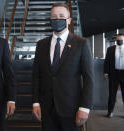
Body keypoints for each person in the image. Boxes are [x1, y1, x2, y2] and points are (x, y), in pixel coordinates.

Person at [32, 3, 94, 131]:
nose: (57, 19)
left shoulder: (81, 43)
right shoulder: (41, 45)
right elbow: (36, 76)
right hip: (47, 108)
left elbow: (89, 78)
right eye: (54, 16)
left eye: (61, 16)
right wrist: (36, 102)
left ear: (69, 20)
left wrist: (84, 107)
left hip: (72, 109)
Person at [104, 33, 124, 118]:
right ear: (116, 40)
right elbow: (106, 62)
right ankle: (110, 112)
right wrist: (105, 72)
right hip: (113, 74)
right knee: (112, 94)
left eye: (121, 39)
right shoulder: (110, 49)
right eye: (118, 39)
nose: (119, 41)